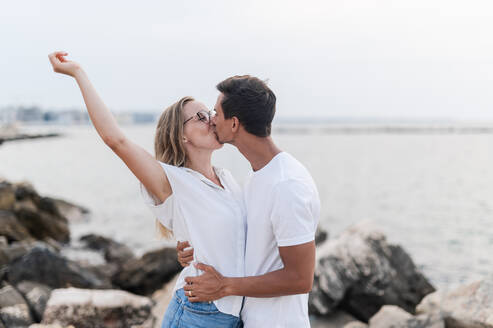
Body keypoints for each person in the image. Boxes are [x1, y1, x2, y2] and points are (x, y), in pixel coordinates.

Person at [48, 51, 246, 328]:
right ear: (181, 134)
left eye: (211, 113)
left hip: (235, 312)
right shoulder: (172, 181)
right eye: (200, 116)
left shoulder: (228, 180)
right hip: (199, 313)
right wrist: (78, 72)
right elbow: (115, 139)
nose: (212, 120)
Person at [178, 75, 321, 327]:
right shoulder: (257, 177)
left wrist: (225, 287)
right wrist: (197, 248)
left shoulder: (287, 185)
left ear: (234, 124)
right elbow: (251, 245)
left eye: (216, 113)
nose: (211, 120)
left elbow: (300, 278)